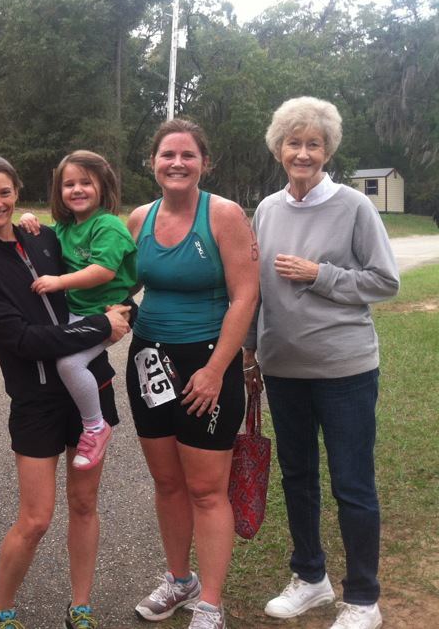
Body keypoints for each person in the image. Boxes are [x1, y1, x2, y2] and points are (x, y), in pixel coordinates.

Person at [0, 154, 131, 629]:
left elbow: (107, 278)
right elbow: (23, 340)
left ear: (17, 192)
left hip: (91, 385)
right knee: (35, 518)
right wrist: (101, 327)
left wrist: (120, 311)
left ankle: (81, 607)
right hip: (36, 401)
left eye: (4, 192)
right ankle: (3, 611)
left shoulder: (45, 237)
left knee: (85, 505)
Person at [246, 97, 398, 629]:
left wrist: (320, 274)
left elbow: (385, 280)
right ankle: (310, 577)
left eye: (314, 144)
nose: (303, 153)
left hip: (344, 372)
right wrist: (249, 352)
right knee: (298, 477)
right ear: (279, 149)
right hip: (283, 370)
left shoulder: (354, 207)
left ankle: (363, 600)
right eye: (294, 143)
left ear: (328, 150)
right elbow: (256, 289)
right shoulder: (267, 209)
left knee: (352, 484)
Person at [123, 119, 259, 629]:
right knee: (167, 482)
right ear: (152, 163)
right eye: (167, 154)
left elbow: (245, 296)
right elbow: (120, 285)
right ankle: (180, 581)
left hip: (208, 362)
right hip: (149, 362)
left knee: (206, 489)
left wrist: (217, 369)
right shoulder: (140, 218)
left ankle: (211, 604)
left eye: (188, 155)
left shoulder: (223, 215)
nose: (177, 163)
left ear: (205, 163)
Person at [18, 150, 138, 470]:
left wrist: (59, 282)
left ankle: (95, 426)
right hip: (77, 312)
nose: (77, 189)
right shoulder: (65, 227)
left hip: (106, 314)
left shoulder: (107, 225)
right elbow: (40, 241)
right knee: (55, 352)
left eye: (86, 182)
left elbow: (103, 270)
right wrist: (27, 219)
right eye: (69, 184)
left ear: (103, 186)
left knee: (69, 364)